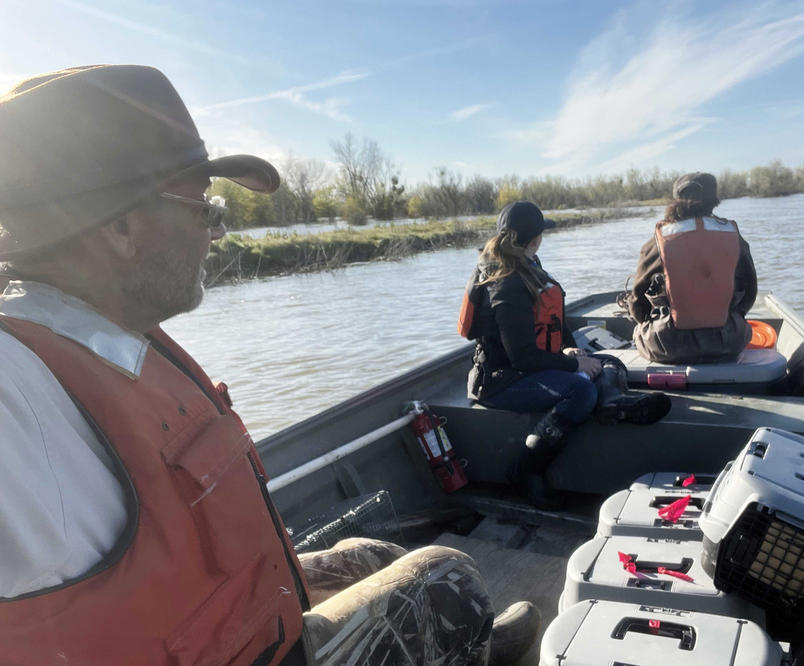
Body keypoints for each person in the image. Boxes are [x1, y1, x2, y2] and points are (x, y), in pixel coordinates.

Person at [0, 65, 536, 666]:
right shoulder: (13, 390)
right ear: (120, 226)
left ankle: (479, 649)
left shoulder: (107, 334)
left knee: (371, 557)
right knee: (446, 580)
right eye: (206, 209)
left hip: (220, 625)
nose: (216, 234)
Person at [463, 201, 603, 507]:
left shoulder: (528, 265)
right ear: (535, 238)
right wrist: (573, 363)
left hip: (524, 371)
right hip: (500, 383)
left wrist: (568, 346)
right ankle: (525, 470)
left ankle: (619, 407)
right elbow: (522, 357)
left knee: (603, 365)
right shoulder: (507, 284)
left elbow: (550, 319)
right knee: (580, 389)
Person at [625, 172, 758, 364]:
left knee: (639, 330)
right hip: (728, 343)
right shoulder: (732, 235)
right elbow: (749, 294)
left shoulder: (658, 240)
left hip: (667, 346)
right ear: (714, 201)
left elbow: (638, 304)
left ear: (676, 199)